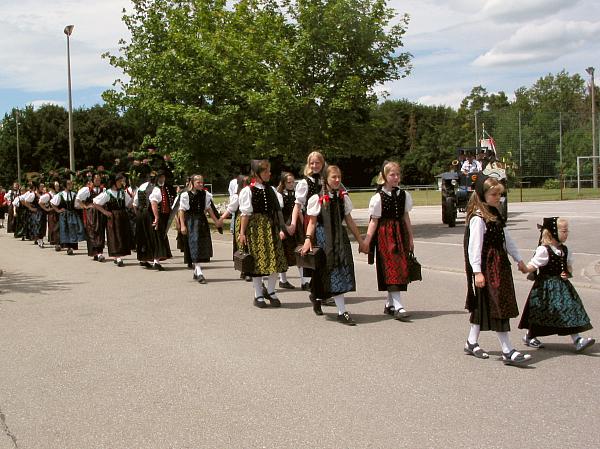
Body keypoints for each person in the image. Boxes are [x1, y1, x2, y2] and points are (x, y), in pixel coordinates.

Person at [463, 175, 531, 365]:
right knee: (498, 305)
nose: (498, 198)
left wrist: (519, 260)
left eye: (499, 194)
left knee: (485, 304)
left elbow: (506, 239)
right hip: (488, 267)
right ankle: (507, 350)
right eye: (494, 194)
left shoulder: (495, 213)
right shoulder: (478, 218)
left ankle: (471, 341)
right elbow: (473, 247)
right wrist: (477, 271)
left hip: (500, 265)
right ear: (482, 195)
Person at [300, 165, 365, 325]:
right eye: (333, 177)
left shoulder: (343, 197)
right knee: (328, 271)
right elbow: (312, 222)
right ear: (326, 179)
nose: (337, 180)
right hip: (324, 239)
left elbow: (349, 220)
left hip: (340, 239)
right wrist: (308, 239)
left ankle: (329, 304)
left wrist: (361, 240)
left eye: (339, 177)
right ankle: (339, 310)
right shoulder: (317, 198)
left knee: (340, 270)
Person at [518, 217, 595, 352]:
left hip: (563, 287)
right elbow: (533, 265)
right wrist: (524, 268)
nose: (567, 234)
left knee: (570, 309)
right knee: (541, 314)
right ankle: (530, 336)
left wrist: (567, 273)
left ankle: (577, 339)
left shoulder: (565, 250)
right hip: (545, 289)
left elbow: (569, 268)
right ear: (553, 232)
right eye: (564, 231)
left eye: (567, 231)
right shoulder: (544, 250)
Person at [361, 161, 415, 320]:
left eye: (398, 174)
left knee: (400, 267)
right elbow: (374, 221)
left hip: (400, 233)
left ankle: (390, 304)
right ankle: (398, 306)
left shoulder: (404, 195)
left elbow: (406, 217)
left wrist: (411, 237)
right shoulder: (378, 197)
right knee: (392, 267)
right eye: (392, 174)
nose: (396, 177)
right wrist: (367, 240)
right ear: (384, 177)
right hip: (385, 235)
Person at [238, 160, 288, 308]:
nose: (269, 173)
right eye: (266, 171)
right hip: (256, 229)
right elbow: (245, 214)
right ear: (257, 173)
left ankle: (271, 291)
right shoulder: (248, 190)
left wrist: (281, 228)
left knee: (274, 260)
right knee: (258, 263)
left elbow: (277, 211)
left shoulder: (271, 189)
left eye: (269, 171)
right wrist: (242, 233)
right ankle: (258, 294)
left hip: (270, 228)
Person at [290, 151, 327, 291]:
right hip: (310, 220)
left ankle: (322, 286)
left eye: (317, 162)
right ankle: (315, 287)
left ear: (322, 163)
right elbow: (297, 205)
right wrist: (293, 223)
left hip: (326, 221)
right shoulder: (305, 183)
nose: (315, 165)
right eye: (312, 163)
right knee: (313, 253)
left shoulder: (327, 180)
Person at [178, 175, 219, 283]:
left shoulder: (205, 194)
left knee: (201, 244)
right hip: (191, 221)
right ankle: (199, 272)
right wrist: (182, 225)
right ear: (192, 183)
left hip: (201, 221)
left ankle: (196, 271)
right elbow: (181, 210)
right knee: (194, 244)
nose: (201, 184)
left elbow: (208, 208)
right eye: (198, 183)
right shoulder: (185, 195)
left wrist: (216, 221)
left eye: (202, 182)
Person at [93, 173, 133, 267]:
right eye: (120, 181)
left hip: (122, 216)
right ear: (114, 182)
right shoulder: (107, 193)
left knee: (122, 235)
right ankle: (117, 257)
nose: (121, 183)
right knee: (114, 236)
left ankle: (117, 256)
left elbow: (129, 205)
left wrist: (134, 197)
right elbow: (95, 203)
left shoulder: (123, 192)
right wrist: (105, 212)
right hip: (113, 217)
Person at [276, 172, 303, 289]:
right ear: (283, 183)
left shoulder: (297, 194)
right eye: (289, 182)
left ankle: (304, 281)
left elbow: (300, 211)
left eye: (293, 182)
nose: (292, 184)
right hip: (285, 226)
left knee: (301, 252)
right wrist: (283, 228)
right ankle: (283, 280)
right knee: (284, 252)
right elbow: (279, 214)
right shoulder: (279, 195)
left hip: (297, 226)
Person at [76, 174, 107, 262]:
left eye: (99, 179)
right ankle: (95, 252)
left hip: (100, 213)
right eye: (96, 179)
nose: (98, 181)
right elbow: (78, 199)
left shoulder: (103, 190)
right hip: (91, 214)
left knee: (100, 231)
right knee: (92, 231)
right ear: (93, 180)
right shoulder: (87, 190)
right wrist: (85, 207)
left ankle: (99, 252)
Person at [50, 179, 86, 255]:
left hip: (72, 215)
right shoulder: (60, 194)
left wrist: (83, 207)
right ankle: (65, 246)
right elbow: (52, 203)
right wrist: (58, 210)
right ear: (65, 185)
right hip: (64, 216)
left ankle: (71, 247)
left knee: (73, 230)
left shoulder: (74, 194)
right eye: (69, 184)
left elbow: (76, 205)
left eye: (71, 184)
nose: (71, 185)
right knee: (64, 230)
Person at [20, 181, 47, 248]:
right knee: (38, 226)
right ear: (37, 187)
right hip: (37, 212)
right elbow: (26, 201)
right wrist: (31, 208)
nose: (42, 188)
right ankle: (39, 241)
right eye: (41, 186)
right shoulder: (33, 194)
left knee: (43, 226)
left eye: (43, 186)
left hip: (43, 212)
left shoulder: (43, 194)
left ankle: (40, 239)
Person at [39, 181, 60, 250]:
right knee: (53, 228)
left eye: (58, 185)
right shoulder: (48, 195)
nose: (58, 187)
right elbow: (40, 202)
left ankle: (58, 243)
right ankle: (55, 243)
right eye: (56, 186)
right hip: (52, 214)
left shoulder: (58, 194)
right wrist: (46, 209)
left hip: (58, 213)